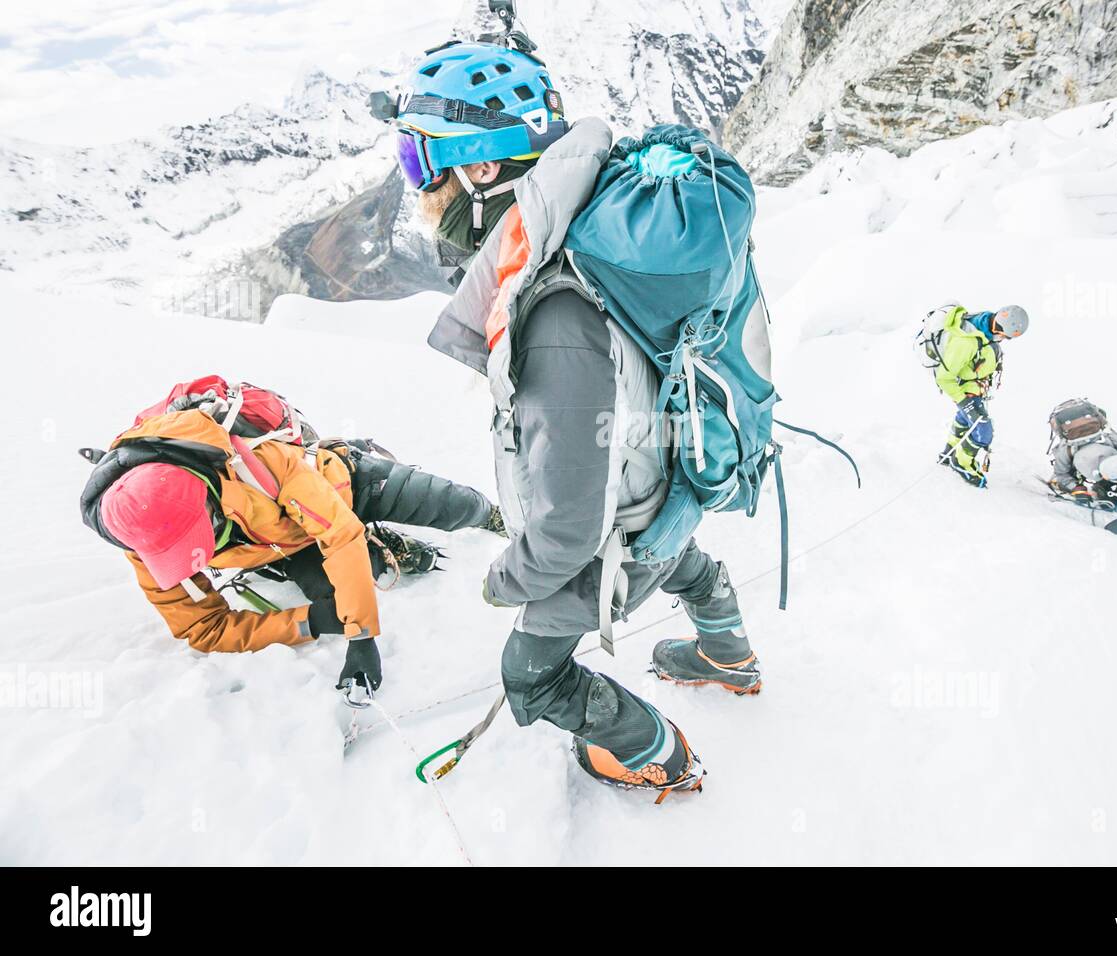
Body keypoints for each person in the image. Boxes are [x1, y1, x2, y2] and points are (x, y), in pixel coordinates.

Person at [393, 35, 758, 799]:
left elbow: (564, 536)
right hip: (670, 495)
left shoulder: (556, 305)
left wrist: (504, 582)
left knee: (532, 677)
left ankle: (658, 753)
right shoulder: (598, 215)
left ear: (481, 167)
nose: (420, 191)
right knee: (676, 559)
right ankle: (728, 652)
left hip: (623, 528)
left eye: (421, 162)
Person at [81, 404, 502, 691]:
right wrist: (309, 622)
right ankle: (383, 548)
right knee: (353, 578)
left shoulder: (261, 462)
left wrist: (361, 635)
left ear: (208, 498)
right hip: (285, 546)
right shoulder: (143, 536)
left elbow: (340, 534)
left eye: (192, 540)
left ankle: (496, 516)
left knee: (454, 504)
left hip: (344, 485)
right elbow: (203, 629)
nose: (193, 558)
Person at [927, 304, 1029, 486]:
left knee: (964, 420)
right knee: (983, 430)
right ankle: (961, 463)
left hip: (976, 387)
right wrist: (964, 401)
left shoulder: (985, 324)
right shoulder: (966, 342)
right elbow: (944, 378)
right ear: (999, 327)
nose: (1003, 340)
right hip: (965, 390)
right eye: (1005, 336)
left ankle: (949, 452)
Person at [1045, 397, 1117, 508]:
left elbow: (1061, 473)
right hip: (1115, 469)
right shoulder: (1108, 436)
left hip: (1100, 470)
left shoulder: (1067, 448)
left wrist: (1075, 488)